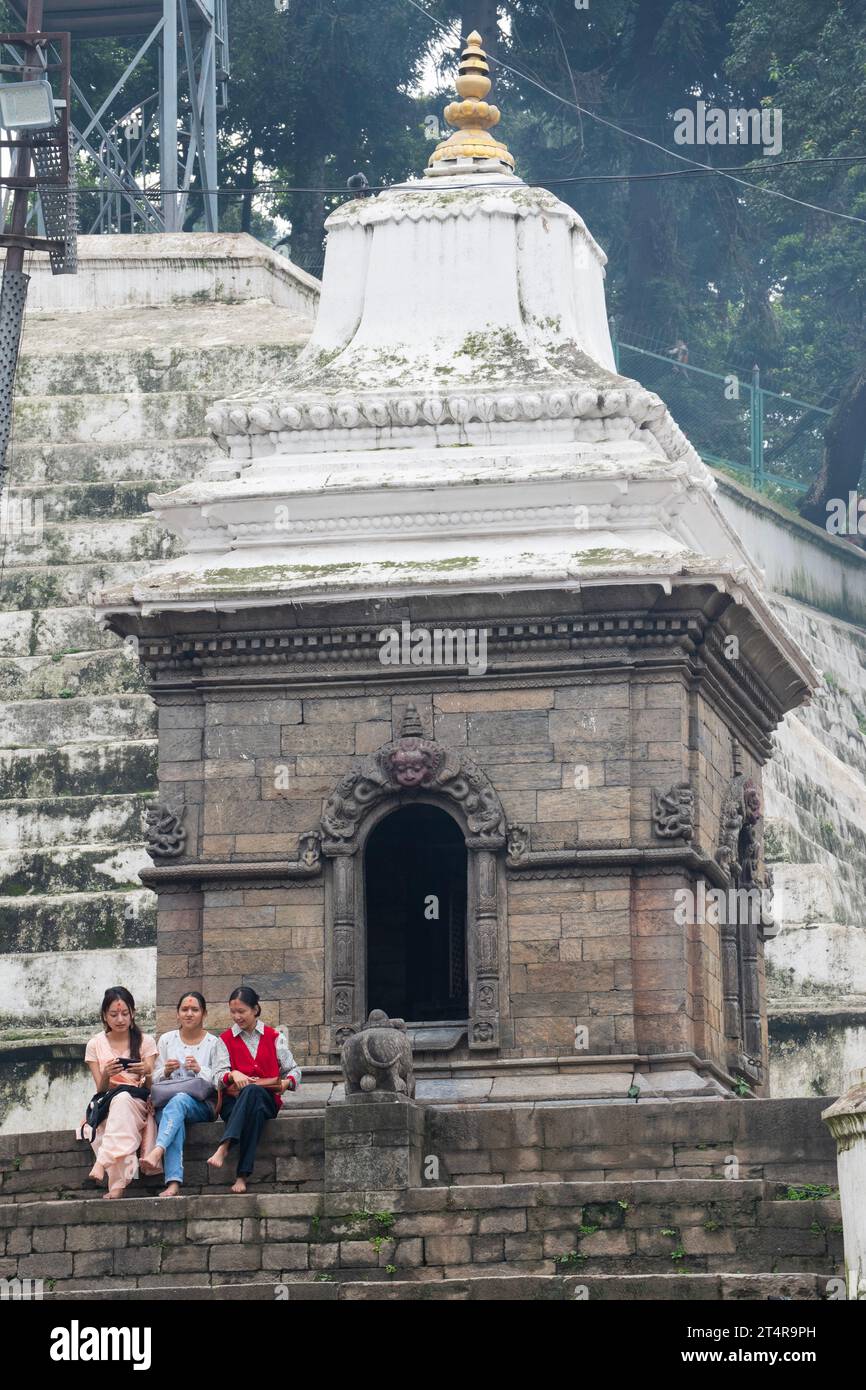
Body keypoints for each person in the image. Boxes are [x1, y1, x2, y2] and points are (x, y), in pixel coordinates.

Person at [206, 986, 301, 1194]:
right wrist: (233, 1075)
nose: (236, 1016)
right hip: (234, 1103)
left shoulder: (274, 1036)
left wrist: (287, 1083)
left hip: (267, 1099)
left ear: (255, 1009)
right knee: (253, 1107)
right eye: (233, 1012)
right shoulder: (224, 1040)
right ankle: (242, 1175)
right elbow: (216, 1078)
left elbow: (294, 1069)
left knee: (254, 1093)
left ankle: (225, 1146)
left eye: (241, 1011)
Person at [141, 992, 231, 1198]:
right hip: (168, 1104)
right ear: (178, 1014)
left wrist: (200, 1069)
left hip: (202, 1105)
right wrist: (165, 1071)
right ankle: (173, 1184)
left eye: (195, 1010)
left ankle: (157, 1151)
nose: (189, 1014)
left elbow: (222, 1079)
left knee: (179, 1101)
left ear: (204, 1014)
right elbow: (152, 1080)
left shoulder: (214, 1043)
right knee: (174, 1113)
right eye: (184, 1009)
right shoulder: (166, 1040)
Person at [81, 986, 158, 1199]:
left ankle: (103, 1165)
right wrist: (106, 1074)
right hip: (107, 1100)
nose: (120, 1019)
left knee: (124, 1100)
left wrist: (146, 1071)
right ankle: (118, 1184)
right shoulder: (95, 1044)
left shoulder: (145, 1041)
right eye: (114, 1014)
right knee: (118, 1105)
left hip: (138, 1100)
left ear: (133, 1013)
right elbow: (100, 1090)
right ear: (105, 1016)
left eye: (125, 1013)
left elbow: (150, 1087)